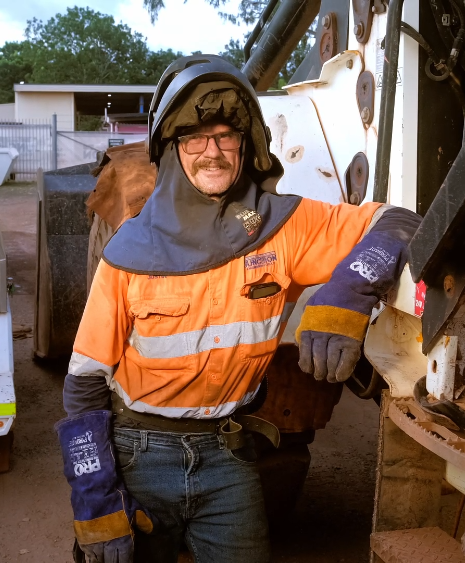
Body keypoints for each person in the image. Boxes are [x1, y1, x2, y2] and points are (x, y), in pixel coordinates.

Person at [55, 55, 421, 563]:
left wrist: (348, 294)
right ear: (172, 149)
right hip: (138, 452)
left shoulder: (282, 224)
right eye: (195, 138)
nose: (213, 152)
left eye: (226, 136)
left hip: (229, 455)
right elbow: (85, 384)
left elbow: (398, 221)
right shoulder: (128, 252)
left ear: (246, 144)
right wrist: (94, 499)